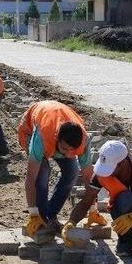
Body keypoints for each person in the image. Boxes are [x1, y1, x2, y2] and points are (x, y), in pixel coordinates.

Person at [18, 101, 93, 236]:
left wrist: (93, 208)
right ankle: (40, 218)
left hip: (57, 123)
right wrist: (33, 213)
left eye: (72, 150)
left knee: (72, 171)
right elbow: (30, 178)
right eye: (65, 148)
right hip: (31, 128)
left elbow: (88, 176)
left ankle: (51, 215)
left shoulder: (83, 139)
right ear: (57, 139)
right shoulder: (41, 136)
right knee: (42, 174)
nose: (68, 154)